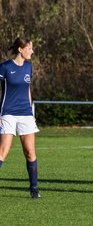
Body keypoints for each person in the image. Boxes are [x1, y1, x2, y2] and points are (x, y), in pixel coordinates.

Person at [0, 37, 40, 198]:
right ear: (20, 50)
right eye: (29, 48)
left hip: (25, 114)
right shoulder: (5, 67)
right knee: (3, 152)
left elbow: (28, 90)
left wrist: (31, 113)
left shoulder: (28, 67)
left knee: (30, 152)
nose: (32, 51)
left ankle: (34, 189)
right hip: (7, 113)